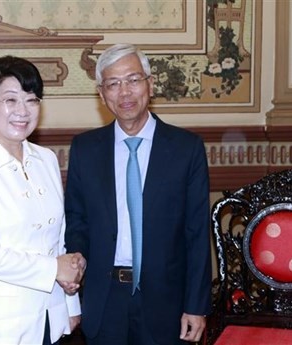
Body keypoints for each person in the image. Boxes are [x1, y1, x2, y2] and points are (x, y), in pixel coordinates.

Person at [64, 43, 212, 344]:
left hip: (166, 302)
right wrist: (75, 265)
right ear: (102, 95)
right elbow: (77, 221)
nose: (125, 92)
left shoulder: (186, 149)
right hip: (104, 301)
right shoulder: (85, 149)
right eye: (113, 84)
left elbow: (197, 233)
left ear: (150, 84)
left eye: (133, 80)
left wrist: (196, 306)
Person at [0, 55, 86, 345]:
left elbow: (57, 239)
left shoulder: (45, 159)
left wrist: (70, 303)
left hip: (49, 315)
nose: (22, 111)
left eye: (32, 100)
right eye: (10, 100)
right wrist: (53, 269)